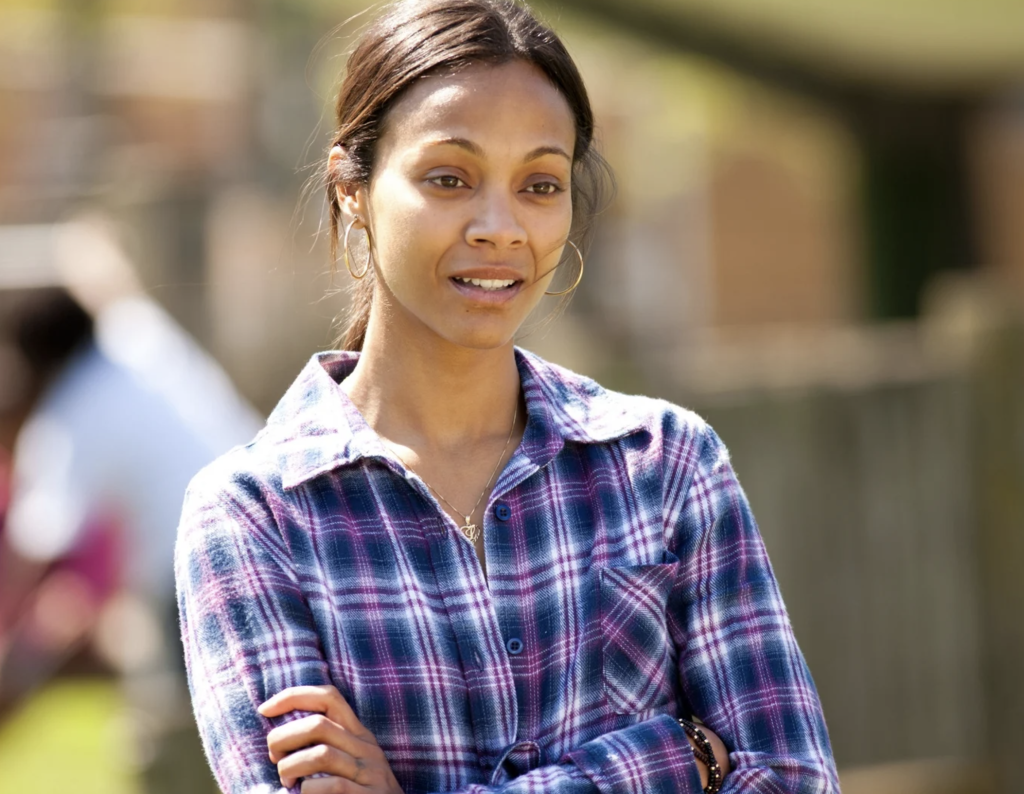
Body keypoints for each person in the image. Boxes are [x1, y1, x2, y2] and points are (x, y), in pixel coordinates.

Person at [175, 1, 840, 792]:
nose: (500, 226)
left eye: (539, 183)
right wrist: (668, 760)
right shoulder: (253, 517)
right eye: (448, 178)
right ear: (353, 188)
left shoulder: (667, 464)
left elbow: (794, 779)